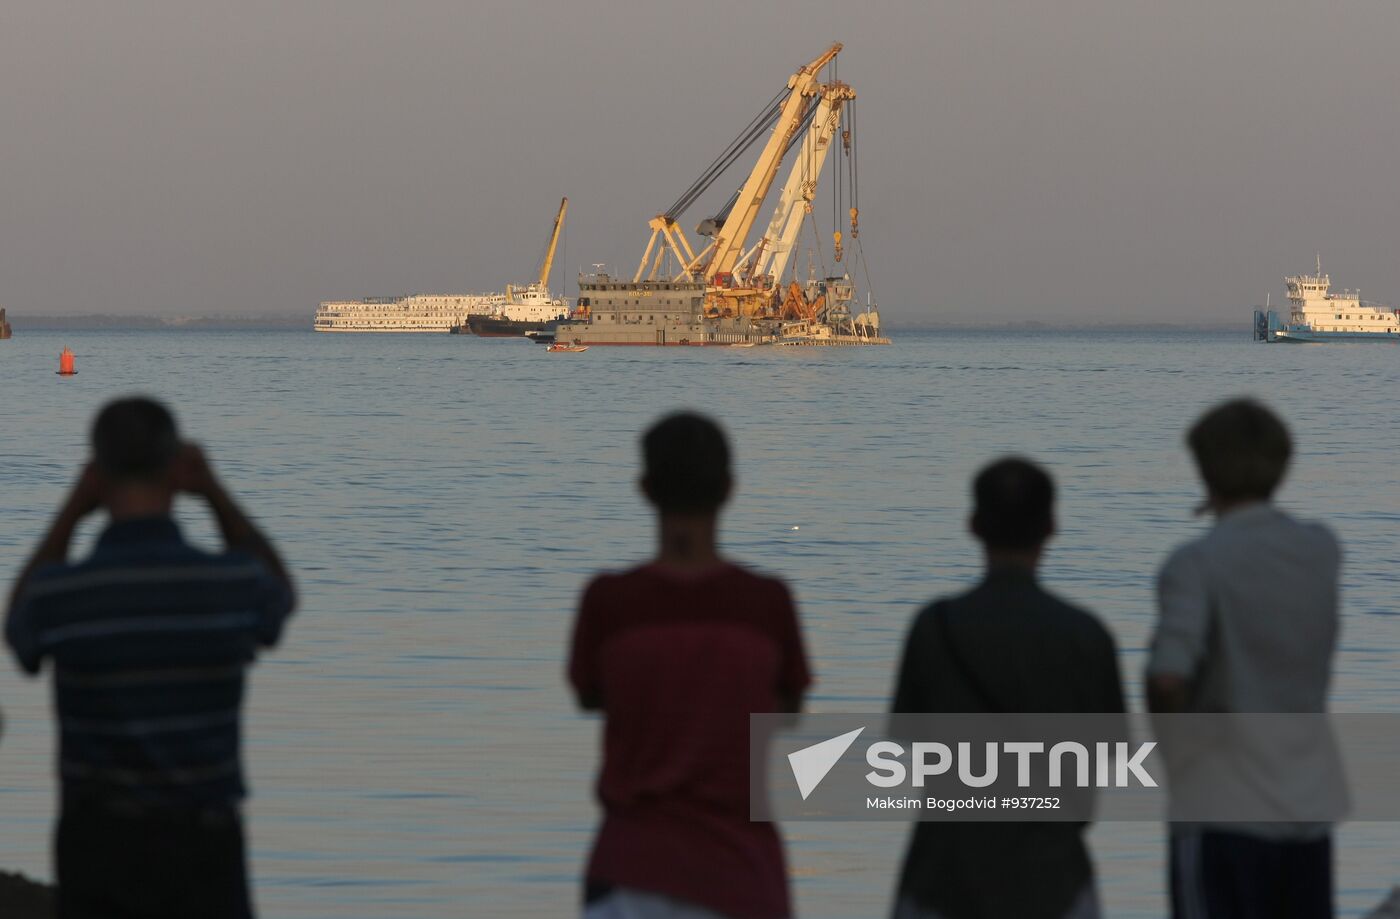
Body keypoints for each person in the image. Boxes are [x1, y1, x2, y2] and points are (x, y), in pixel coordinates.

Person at [5, 397, 296, 919]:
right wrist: (215, 493)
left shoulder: (63, 595)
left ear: (96, 475)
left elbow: (19, 632)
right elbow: (281, 593)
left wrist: (71, 510)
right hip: (204, 843)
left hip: (98, 843)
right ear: (176, 468)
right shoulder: (230, 585)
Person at [568, 413, 812, 919]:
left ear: (645, 489)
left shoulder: (609, 602)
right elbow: (787, 709)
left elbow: (591, 695)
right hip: (741, 874)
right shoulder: (767, 605)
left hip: (628, 870)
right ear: (728, 489)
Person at [890, 457, 1125, 919]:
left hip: (943, 875)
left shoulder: (933, 628)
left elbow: (908, 744)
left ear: (973, 525)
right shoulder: (1087, 635)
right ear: (1051, 526)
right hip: (1054, 877)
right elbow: (1106, 761)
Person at [1148, 399, 1341, 918]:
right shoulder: (1321, 551)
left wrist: (1177, 757)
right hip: (1308, 809)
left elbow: (1168, 678)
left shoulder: (1196, 564)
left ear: (1204, 467)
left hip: (1220, 811)